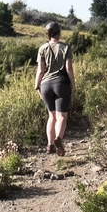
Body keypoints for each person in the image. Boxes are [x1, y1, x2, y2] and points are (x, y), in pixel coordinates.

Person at [34, 21, 74, 155]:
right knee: (61, 116)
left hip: (45, 84)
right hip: (61, 83)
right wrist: (73, 85)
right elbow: (68, 68)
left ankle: (50, 146)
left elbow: (40, 70)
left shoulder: (42, 48)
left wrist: (37, 86)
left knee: (51, 116)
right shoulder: (66, 47)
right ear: (59, 33)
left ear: (48, 34)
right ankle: (58, 138)